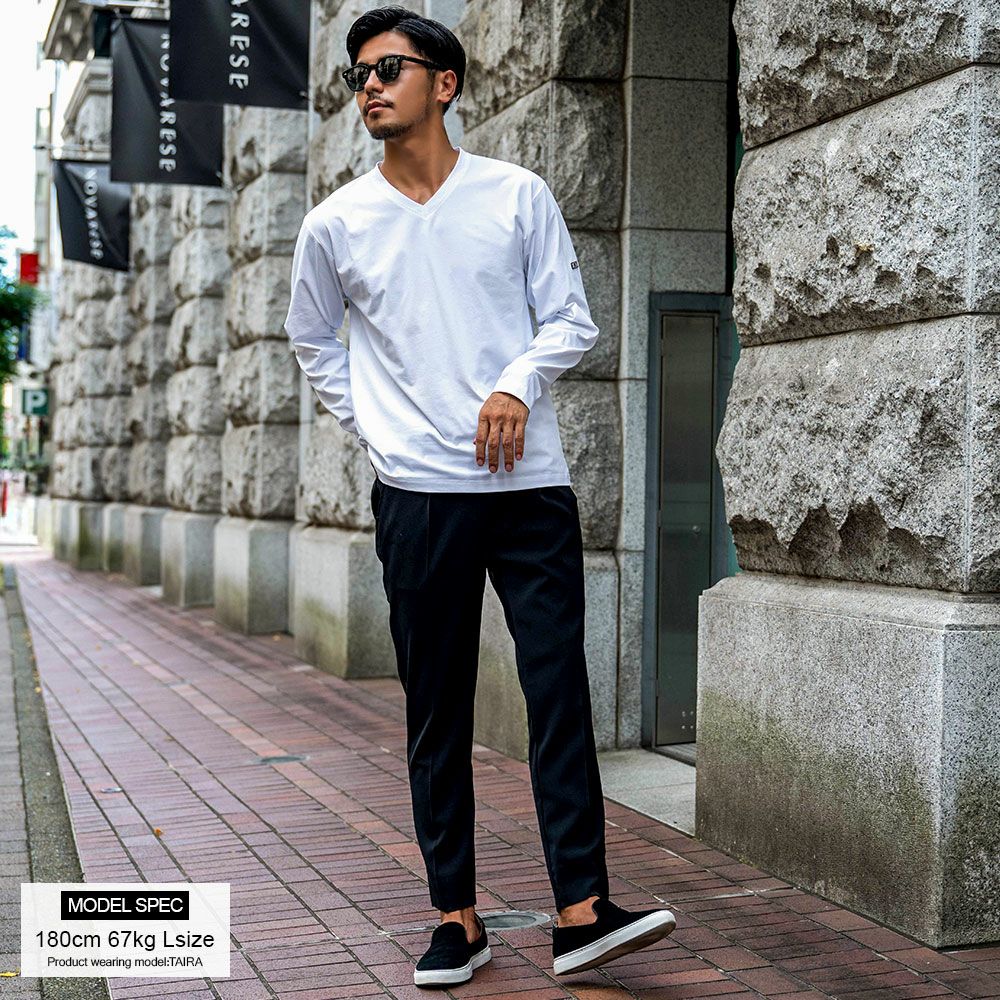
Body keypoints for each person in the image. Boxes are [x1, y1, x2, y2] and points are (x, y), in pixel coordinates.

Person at [283, 4, 676, 987]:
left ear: (444, 84)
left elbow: (570, 320)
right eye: (358, 76)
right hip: (418, 494)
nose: (369, 87)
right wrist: (376, 428)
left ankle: (581, 911)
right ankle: (456, 918)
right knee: (438, 709)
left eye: (388, 69)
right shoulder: (335, 223)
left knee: (557, 691)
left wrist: (515, 384)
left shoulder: (515, 195)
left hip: (528, 486)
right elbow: (312, 339)